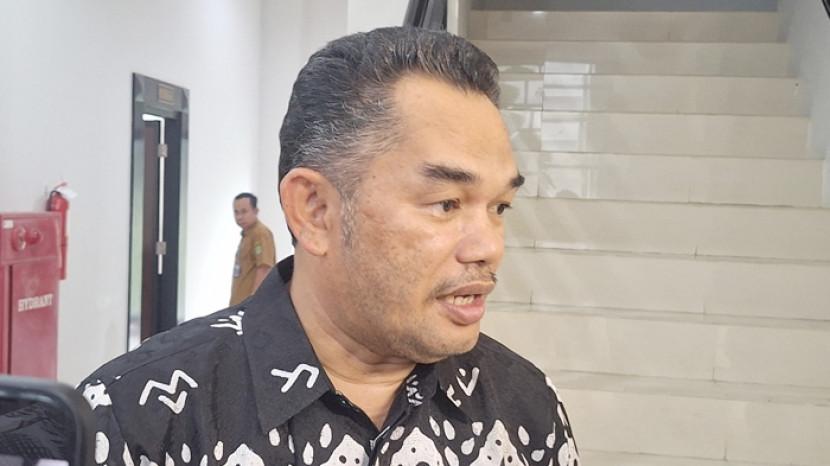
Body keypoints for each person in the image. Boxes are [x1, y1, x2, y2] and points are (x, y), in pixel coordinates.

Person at [78, 27, 579, 466]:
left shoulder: (525, 407)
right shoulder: (135, 417)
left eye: (500, 207)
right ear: (315, 210)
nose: (489, 247)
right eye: (447, 204)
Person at [229, 192, 276, 306]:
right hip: (240, 303)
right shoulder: (247, 235)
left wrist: (253, 302)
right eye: (236, 212)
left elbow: (264, 268)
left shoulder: (260, 234)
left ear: (256, 211)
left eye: (244, 211)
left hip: (250, 306)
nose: (239, 217)